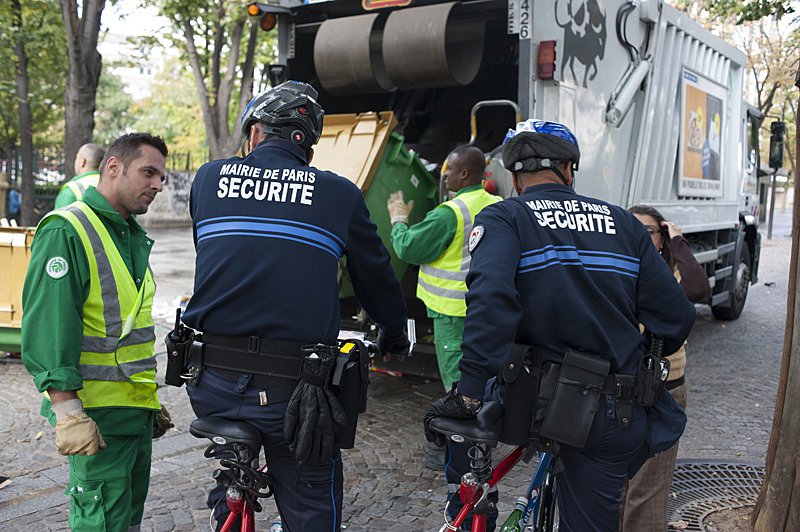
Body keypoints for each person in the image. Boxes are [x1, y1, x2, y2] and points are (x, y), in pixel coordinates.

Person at [424, 119, 697, 531]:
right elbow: (676, 317)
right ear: (569, 170)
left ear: (515, 176)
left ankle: (471, 509)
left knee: (464, 436)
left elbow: (490, 303)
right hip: (612, 410)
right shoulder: (624, 224)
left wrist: (468, 392)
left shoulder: (507, 217)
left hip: (531, 401)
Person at [181, 80, 409, 532]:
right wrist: (395, 332)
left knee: (235, 457)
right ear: (308, 147)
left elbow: (221, 255)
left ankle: (227, 498)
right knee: (310, 498)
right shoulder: (338, 194)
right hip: (293, 392)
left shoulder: (208, 178)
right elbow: (376, 277)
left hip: (210, 383)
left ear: (256, 134)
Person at [21, 132, 168, 531]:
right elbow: (50, 325)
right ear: (113, 167)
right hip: (96, 418)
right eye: (149, 172)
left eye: (162, 177)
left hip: (133, 416)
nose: (157, 184)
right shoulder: (67, 230)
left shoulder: (132, 235)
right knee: (101, 523)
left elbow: (126, 331)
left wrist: (146, 401)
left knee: (123, 524)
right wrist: (67, 410)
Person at [387, 146, 499, 470]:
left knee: (457, 384)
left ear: (464, 173)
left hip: (452, 312)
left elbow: (408, 246)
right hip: (487, 311)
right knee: (483, 375)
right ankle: (483, 433)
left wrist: (398, 220)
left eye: (449, 169)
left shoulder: (450, 212)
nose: (445, 174)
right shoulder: (498, 204)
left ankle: (461, 452)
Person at [619, 205, 710, 531]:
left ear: (661, 239)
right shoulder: (617, 268)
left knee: (648, 486)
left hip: (665, 388)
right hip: (620, 389)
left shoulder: (670, 272)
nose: (641, 237)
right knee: (619, 485)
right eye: (634, 229)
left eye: (649, 231)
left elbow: (698, 289)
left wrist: (679, 240)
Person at [55, 143, 105, 208]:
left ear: (82, 162)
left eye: (77, 157)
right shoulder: (111, 184)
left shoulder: (71, 190)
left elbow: (59, 217)